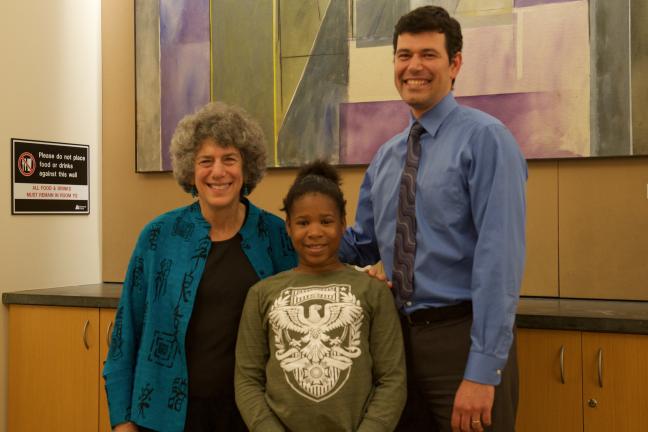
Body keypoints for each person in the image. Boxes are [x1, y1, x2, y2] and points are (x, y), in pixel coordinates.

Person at [339, 6, 527, 432]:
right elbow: (361, 245)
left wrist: (482, 371)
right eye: (404, 55)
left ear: (455, 63)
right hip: (396, 346)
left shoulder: (486, 140)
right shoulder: (386, 156)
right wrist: (283, 231)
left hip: (462, 339)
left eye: (428, 54)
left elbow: (500, 261)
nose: (414, 67)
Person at [103, 101, 297, 432]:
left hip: (252, 417)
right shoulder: (157, 237)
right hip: (165, 416)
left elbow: (304, 307)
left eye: (229, 159)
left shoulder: (274, 236)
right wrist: (123, 421)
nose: (218, 172)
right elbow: (125, 335)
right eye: (206, 161)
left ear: (246, 167)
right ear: (190, 170)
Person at [235, 161, 406, 432]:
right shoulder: (261, 294)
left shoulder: (371, 290)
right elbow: (247, 380)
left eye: (326, 221)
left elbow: (392, 379)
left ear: (342, 224)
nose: (315, 232)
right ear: (288, 227)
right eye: (303, 223)